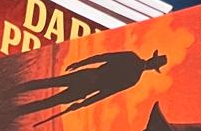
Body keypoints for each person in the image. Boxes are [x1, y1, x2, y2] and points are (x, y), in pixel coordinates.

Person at [11, 47, 167, 118]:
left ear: (152, 59)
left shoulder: (131, 57)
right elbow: (104, 94)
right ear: (154, 67)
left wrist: (81, 63)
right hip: (87, 89)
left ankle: (12, 93)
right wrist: (83, 104)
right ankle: (15, 111)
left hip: (88, 76)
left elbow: (102, 57)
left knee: (48, 83)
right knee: (50, 101)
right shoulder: (134, 79)